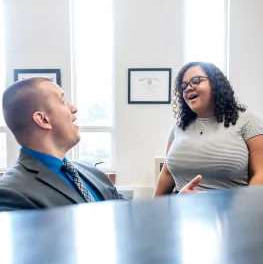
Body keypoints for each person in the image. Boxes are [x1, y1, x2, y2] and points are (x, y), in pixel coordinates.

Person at [0, 78, 201, 211]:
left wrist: (174, 207)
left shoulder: (90, 172)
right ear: (43, 120)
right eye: (63, 101)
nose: (73, 108)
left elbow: (129, 216)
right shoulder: (11, 193)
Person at [154, 61, 263, 196]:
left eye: (196, 81)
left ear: (216, 84)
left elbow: (260, 173)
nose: (188, 88)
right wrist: (153, 211)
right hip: (181, 211)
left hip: (231, 212)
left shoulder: (248, 122)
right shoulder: (178, 127)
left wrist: (244, 209)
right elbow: (167, 173)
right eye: (184, 86)